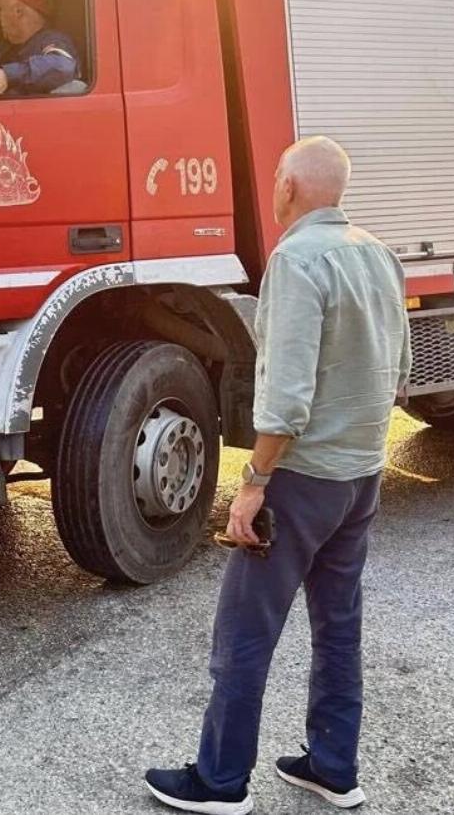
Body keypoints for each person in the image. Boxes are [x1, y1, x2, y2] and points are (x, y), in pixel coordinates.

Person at [145, 136, 411, 815]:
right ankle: (332, 767)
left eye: (275, 179)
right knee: (338, 623)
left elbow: (287, 395)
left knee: (245, 631)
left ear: (289, 187)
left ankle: (221, 780)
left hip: (303, 479)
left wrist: (256, 480)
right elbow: (402, 371)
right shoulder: (377, 252)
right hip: (362, 475)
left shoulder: (296, 260)